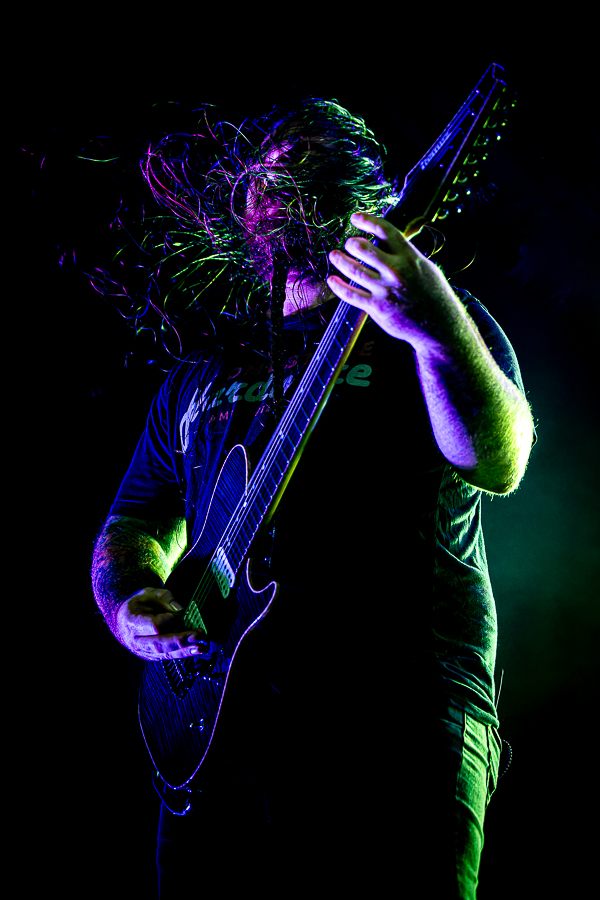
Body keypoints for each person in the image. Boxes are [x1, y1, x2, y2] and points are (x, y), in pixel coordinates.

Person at [91, 98, 534, 898]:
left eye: (301, 157)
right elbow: (135, 521)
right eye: (264, 163)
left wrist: (433, 324)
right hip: (219, 732)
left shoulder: (430, 319)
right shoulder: (200, 374)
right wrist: (130, 602)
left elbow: (500, 462)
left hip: (398, 719)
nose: (271, 176)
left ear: (358, 187)